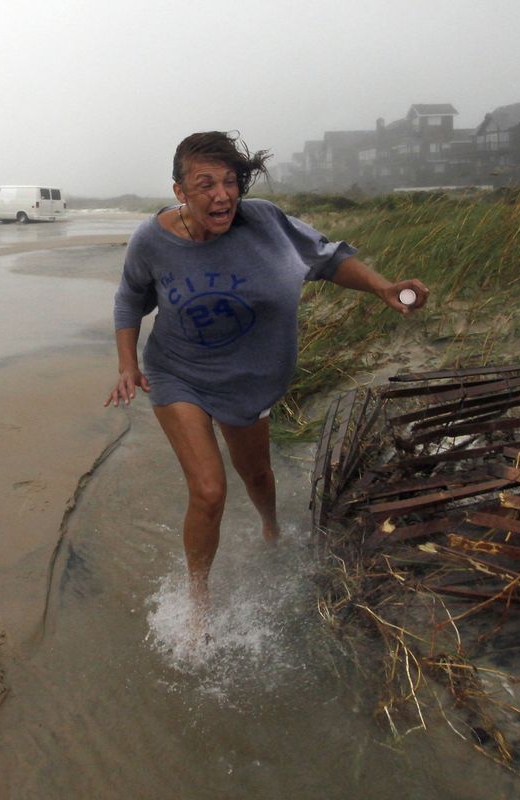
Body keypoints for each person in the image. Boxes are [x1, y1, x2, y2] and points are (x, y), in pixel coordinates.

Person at [105, 131, 428, 623]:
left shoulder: (266, 222)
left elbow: (329, 260)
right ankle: (198, 602)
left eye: (230, 182)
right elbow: (130, 298)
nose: (221, 195)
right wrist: (128, 363)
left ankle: (271, 529)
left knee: (256, 475)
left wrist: (384, 288)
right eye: (205, 184)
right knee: (210, 490)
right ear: (180, 192)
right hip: (179, 375)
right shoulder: (152, 241)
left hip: (249, 380)